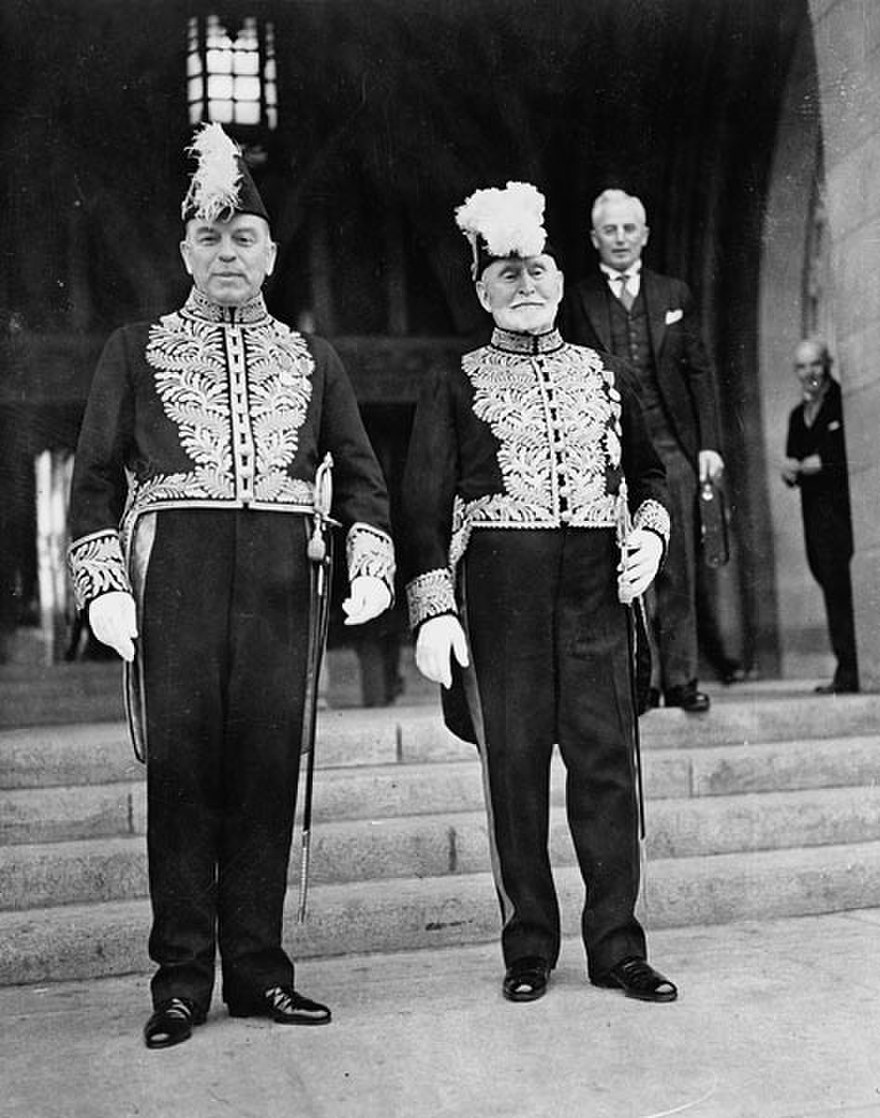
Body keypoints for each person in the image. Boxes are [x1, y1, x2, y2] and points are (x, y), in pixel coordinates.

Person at [66, 123, 395, 1049]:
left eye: (242, 238)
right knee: (183, 778)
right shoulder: (133, 349)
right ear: (184, 251)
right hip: (176, 575)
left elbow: (361, 475)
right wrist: (104, 585)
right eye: (209, 238)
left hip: (282, 582)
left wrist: (368, 561)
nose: (225, 254)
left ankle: (258, 972)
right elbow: (94, 478)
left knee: (262, 774)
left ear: (271, 254)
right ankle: (180, 981)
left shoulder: (313, 359)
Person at [401, 181, 677, 1005]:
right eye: (508, 274)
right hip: (500, 604)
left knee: (607, 772)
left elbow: (651, 473)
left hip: (596, 599)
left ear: (560, 279)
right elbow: (422, 502)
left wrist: (653, 535)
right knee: (513, 777)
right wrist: (433, 607)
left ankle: (618, 946)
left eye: (538, 270)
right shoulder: (453, 382)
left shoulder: (602, 373)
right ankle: (528, 947)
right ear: (482, 289)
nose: (526, 285)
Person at [562, 188, 724, 712]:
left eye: (630, 228)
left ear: (645, 234)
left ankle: (682, 679)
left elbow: (699, 372)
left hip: (672, 447)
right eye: (610, 230)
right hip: (611, 452)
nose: (621, 239)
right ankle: (640, 682)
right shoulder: (578, 299)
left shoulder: (674, 293)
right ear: (594, 239)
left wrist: (709, 447)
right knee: (623, 567)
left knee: (676, 566)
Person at [782, 338, 858, 694]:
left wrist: (815, 464)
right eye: (801, 367)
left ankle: (852, 671)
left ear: (826, 365)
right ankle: (846, 668)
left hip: (843, 515)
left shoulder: (843, 403)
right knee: (831, 588)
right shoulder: (798, 416)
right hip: (814, 517)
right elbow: (792, 462)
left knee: (846, 590)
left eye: (814, 365)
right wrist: (795, 469)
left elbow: (844, 456)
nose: (808, 373)